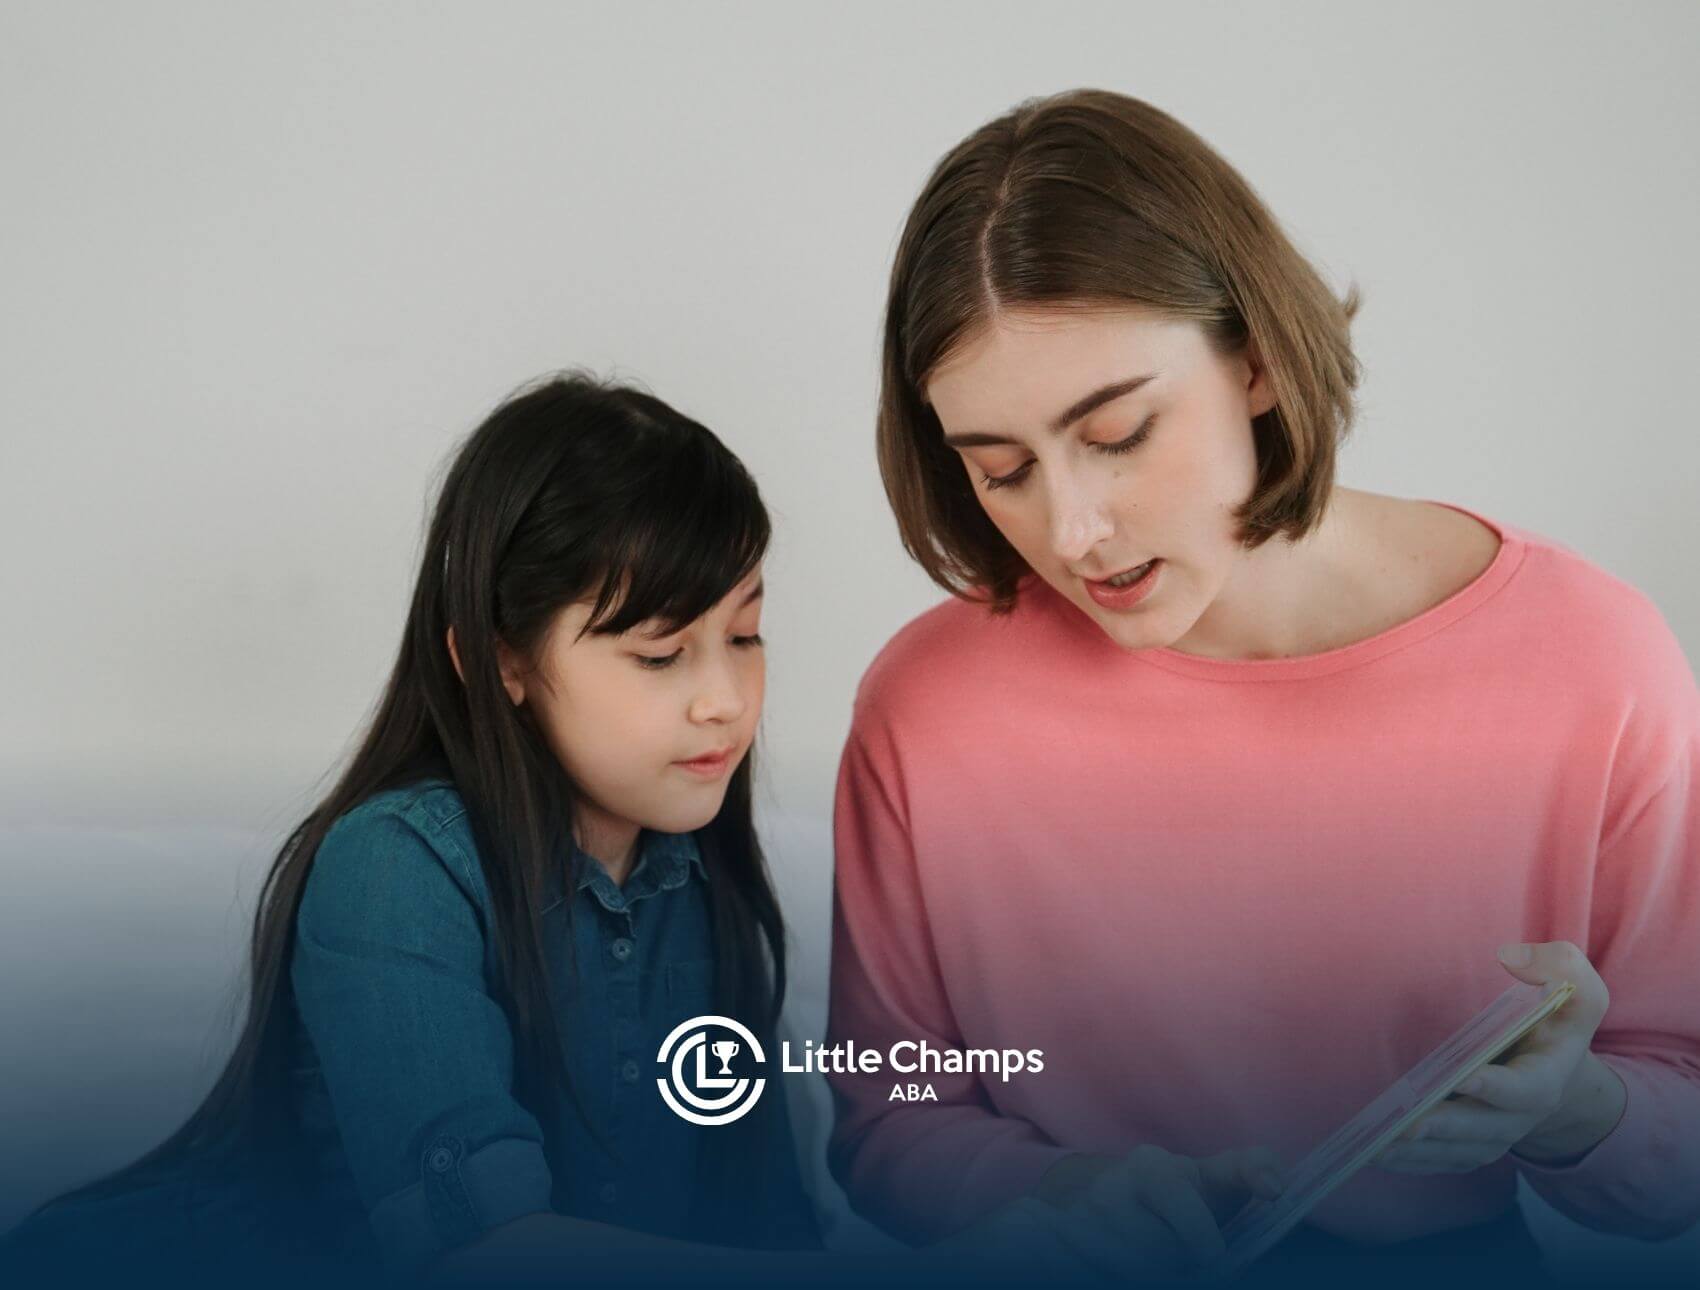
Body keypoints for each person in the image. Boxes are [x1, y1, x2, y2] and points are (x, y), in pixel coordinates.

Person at [826, 88, 1700, 1284]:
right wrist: (1052, 1193)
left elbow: (1674, 1146)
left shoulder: (1593, 664)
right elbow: (885, 1116)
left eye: (1119, 432)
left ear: (1254, 360)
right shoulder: (925, 711)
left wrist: (1575, 1108)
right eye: (1001, 470)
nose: (1073, 530)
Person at [0, 373, 823, 1289]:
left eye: (746, 636)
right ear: (497, 660)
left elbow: (768, 1235)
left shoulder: (705, 886)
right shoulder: (397, 868)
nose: (725, 701)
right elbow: (485, 1254)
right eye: (662, 654)